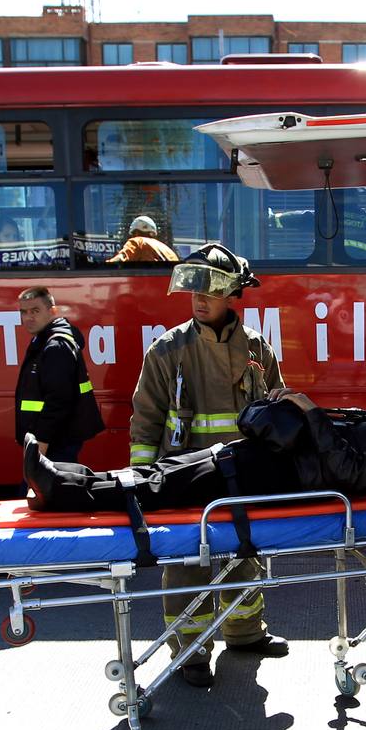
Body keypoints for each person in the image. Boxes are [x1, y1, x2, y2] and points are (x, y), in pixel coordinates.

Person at [128, 242, 285, 687]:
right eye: (193, 289)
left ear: (232, 293)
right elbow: (146, 421)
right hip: (187, 478)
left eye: (210, 290)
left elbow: (278, 410)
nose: (199, 298)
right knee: (187, 564)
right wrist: (143, 482)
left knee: (246, 556)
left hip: (245, 475)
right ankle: (191, 652)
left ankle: (245, 632)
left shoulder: (257, 349)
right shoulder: (166, 351)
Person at [24, 390, 366, 513]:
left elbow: (349, 469)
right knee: (158, 475)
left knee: (156, 487)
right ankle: (59, 479)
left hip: (267, 476)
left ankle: (57, 487)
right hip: (258, 462)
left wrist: (310, 412)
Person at [14, 286, 104, 464]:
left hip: (54, 443)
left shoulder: (55, 346)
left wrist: (40, 446)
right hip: (55, 441)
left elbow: (59, 401)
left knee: (45, 490)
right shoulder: (45, 340)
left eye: (35, 311)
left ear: (52, 311)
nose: (28, 318)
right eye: (24, 312)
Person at [106, 215, 179, 263]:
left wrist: (106, 265)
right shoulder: (169, 251)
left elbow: (121, 258)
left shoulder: (137, 242)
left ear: (136, 233)